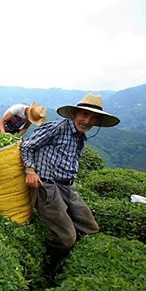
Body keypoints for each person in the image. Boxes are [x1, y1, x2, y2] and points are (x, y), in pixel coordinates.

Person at [20, 93, 120, 270]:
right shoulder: (56, 128)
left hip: (68, 186)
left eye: (93, 118)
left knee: (90, 227)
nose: (88, 121)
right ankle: (48, 266)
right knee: (65, 237)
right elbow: (27, 146)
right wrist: (30, 170)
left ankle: (76, 262)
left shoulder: (80, 136)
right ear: (74, 114)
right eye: (84, 114)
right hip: (48, 186)